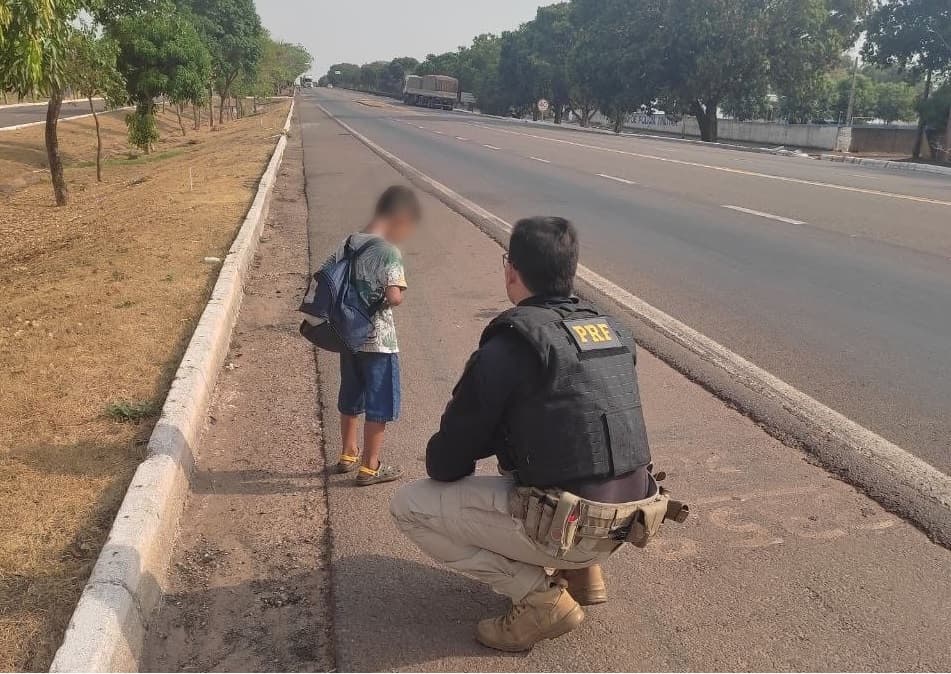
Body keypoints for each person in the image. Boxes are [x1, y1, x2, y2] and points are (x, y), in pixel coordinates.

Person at [390, 216, 685, 651]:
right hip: (633, 520)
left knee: (409, 505)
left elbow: (447, 463)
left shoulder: (511, 346)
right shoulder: (613, 331)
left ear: (512, 270)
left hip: (572, 525)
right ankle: (585, 574)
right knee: (562, 452)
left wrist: (489, 427)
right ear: (571, 271)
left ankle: (539, 598)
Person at [327, 185, 419, 486]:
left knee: (351, 395)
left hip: (348, 335)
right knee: (379, 402)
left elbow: (327, 276)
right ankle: (370, 465)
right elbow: (394, 297)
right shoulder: (388, 250)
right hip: (378, 341)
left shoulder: (349, 241)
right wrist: (394, 292)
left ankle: (347, 454)